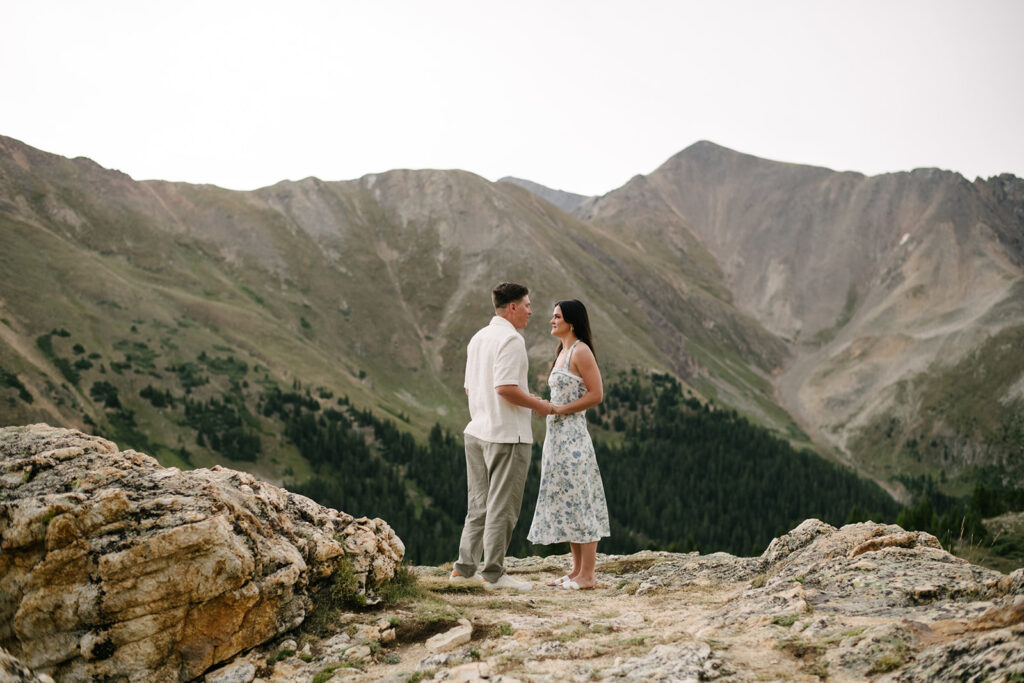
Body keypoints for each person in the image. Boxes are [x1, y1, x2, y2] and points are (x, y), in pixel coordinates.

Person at [450, 282, 554, 591]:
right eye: (526, 305)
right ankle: (493, 575)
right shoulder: (511, 339)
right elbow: (506, 388)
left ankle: (464, 569)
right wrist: (541, 405)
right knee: (502, 508)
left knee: (478, 505)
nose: (530, 311)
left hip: (477, 431)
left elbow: (471, 388)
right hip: (507, 434)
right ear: (512, 307)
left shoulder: (479, 338)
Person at [527, 299, 609, 590]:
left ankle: (588, 574)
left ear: (571, 322)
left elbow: (596, 394)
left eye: (557, 316)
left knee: (582, 499)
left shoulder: (581, 351)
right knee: (568, 501)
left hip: (573, 435)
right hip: (556, 437)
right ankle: (576, 571)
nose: (551, 320)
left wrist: (559, 410)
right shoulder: (562, 351)